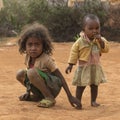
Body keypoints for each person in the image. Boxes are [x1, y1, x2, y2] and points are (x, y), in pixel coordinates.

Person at [16, 22, 81, 109]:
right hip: (41, 85)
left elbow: (60, 77)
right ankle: (38, 96)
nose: (33, 48)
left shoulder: (46, 59)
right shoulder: (28, 57)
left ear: (43, 46)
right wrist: (28, 92)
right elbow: (30, 77)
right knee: (20, 73)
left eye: (37, 44)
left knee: (31, 72)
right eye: (30, 44)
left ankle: (49, 97)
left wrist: (70, 96)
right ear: (25, 45)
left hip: (53, 87)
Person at [65, 14, 109, 109]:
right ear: (84, 29)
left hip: (95, 67)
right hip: (84, 68)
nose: (94, 31)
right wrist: (70, 64)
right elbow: (74, 52)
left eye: (97, 28)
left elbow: (106, 49)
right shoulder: (80, 41)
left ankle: (93, 101)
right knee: (81, 85)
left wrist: (101, 41)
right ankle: (78, 101)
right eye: (90, 28)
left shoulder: (100, 40)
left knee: (94, 85)